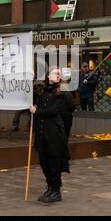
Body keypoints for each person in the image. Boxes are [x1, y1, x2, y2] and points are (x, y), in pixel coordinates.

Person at [30, 67, 70, 203]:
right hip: (42, 134)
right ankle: (50, 187)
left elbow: (53, 110)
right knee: (44, 163)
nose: (58, 75)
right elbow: (30, 94)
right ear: (48, 75)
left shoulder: (62, 92)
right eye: (55, 73)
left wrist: (37, 111)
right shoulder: (43, 90)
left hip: (54, 134)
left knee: (54, 163)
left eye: (59, 74)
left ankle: (56, 191)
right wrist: (30, 78)